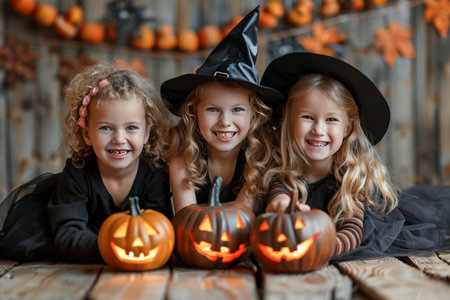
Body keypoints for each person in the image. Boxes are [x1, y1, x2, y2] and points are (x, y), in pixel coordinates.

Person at [260, 52, 450, 261]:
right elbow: (280, 191)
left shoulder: (352, 176)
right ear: (289, 121)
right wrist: (280, 202)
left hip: (382, 227)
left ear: (347, 129)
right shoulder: (283, 172)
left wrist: (320, 247)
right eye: (307, 117)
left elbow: (352, 233)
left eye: (331, 119)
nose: (318, 129)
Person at [0, 64, 174, 262]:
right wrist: (115, 250)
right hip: (83, 246)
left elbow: (159, 228)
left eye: (131, 127)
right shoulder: (77, 173)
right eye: (106, 128)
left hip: (130, 248)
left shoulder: (155, 172)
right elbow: (68, 235)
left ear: (147, 133)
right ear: (86, 134)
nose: (119, 138)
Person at [161, 6, 284, 215]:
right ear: (193, 112)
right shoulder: (182, 157)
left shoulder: (259, 158)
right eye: (212, 109)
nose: (225, 121)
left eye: (237, 110)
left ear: (253, 114)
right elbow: (186, 222)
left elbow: (239, 222)